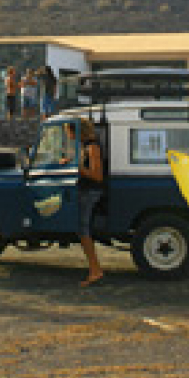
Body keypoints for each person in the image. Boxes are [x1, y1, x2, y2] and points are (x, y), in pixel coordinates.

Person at [75, 118, 105, 286]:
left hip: (89, 192)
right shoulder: (86, 146)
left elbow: (97, 175)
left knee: (83, 229)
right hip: (87, 190)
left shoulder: (92, 147)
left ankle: (95, 270)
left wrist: (79, 169)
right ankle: (94, 269)